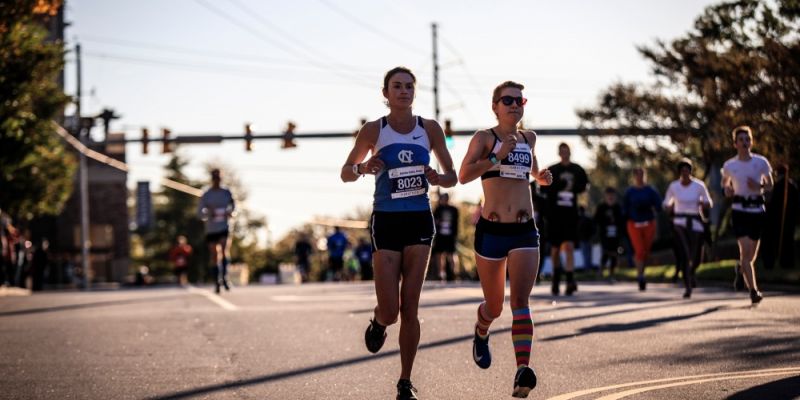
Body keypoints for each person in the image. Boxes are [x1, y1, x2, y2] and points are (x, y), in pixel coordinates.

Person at [340, 66, 457, 400]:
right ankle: (378, 322)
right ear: (386, 93)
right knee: (390, 310)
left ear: (414, 93)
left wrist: (438, 178)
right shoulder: (374, 130)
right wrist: (364, 167)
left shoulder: (429, 129)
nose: (403, 91)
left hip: (420, 220)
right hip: (386, 222)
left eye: (409, 86)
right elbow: (345, 173)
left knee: (410, 308)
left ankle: (405, 381)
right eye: (397, 86)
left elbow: (453, 176)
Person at [458, 80, 553, 398]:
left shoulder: (530, 137)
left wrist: (541, 176)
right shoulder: (485, 138)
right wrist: (497, 156)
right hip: (493, 232)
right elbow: (464, 175)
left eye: (519, 99)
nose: (514, 104)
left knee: (520, 303)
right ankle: (481, 330)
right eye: (507, 99)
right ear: (495, 106)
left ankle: (521, 372)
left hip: (525, 231)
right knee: (495, 306)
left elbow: (533, 171)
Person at [722, 125, 773, 304]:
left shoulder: (761, 162)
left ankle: (740, 269)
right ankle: (754, 290)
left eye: (747, 139)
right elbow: (725, 185)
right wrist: (727, 190)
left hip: (757, 210)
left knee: (750, 256)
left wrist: (758, 187)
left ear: (751, 142)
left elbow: (770, 185)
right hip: (739, 211)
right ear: (735, 144)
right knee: (745, 251)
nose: (745, 142)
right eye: (741, 139)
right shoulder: (730, 165)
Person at [663, 159, 712, 299]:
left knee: (696, 257)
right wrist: (669, 207)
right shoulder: (674, 186)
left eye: (687, 170)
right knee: (685, 254)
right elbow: (666, 202)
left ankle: (691, 272)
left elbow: (709, 202)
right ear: (679, 172)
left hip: (696, 221)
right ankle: (688, 287)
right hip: (680, 222)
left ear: (691, 171)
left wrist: (704, 203)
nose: (685, 173)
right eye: (682, 170)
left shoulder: (699, 185)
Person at [544, 142, 588, 296]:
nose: (565, 153)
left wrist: (575, 188)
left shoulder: (577, 169)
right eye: (562, 151)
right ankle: (556, 277)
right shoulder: (553, 169)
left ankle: (570, 280)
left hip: (570, 214)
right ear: (559, 152)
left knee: (569, 246)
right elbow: (543, 187)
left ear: (570, 152)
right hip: (555, 215)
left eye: (567, 150)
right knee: (555, 249)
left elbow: (584, 186)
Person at [623, 167, 662, 291]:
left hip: (648, 223)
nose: (640, 177)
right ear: (634, 176)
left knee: (645, 251)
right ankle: (640, 276)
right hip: (634, 224)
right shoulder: (629, 192)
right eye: (637, 174)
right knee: (639, 250)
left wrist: (650, 208)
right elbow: (624, 209)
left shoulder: (650, 190)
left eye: (642, 174)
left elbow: (659, 205)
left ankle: (641, 272)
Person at [198, 168, 235, 294]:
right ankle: (216, 281)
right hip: (211, 228)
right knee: (214, 255)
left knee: (224, 250)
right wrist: (208, 214)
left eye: (218, 178)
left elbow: (232, 205)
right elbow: (200, 212)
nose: (217, 181)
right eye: (215, 178)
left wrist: (230, 212)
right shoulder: (207, 194)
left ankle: (225, 277)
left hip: (224, 226)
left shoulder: (226, 192)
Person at [762, 164, 798, 270]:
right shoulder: (790, 186)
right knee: (786, 241)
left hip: (778, 221)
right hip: (786, 221)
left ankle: (781, 262)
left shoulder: (786, 187)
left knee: (778, 242)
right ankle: (784, 262)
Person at [594, 187, 624, 281]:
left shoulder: (618, 207)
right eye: (609, 196)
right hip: (605, 234)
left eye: (612, 196)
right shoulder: (601, 207)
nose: (610, 197)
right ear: (605, 196)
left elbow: (622, 221)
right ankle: (601, 269)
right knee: (606, 252)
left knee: (614, 253)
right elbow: (596, 220)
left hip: (616, 235)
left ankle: (611, 274)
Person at [432, 192, 460, 281]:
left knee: (452, 254)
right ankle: (441, 274)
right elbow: (434, 221)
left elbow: (456, 223)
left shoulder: (454, 209)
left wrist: (455, 235)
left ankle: (453, 273)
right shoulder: (438, 209)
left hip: (450, 236)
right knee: (439, 255)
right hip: (440, 235)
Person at [576, 206, 595, 271]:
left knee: (585, 254)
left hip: (583, 239)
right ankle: (588, 267)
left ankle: (587, 267)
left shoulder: (580, 219)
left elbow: (578, 230)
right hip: (588, 238)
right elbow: (593, 228)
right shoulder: (587, 218)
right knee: (588, 254)